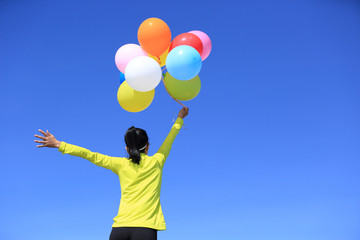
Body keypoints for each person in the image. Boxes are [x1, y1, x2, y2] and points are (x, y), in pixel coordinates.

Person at [34, 106, 189, 240]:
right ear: (148, 146)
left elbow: (90, 155)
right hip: (145, 229)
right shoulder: (157, 161)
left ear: (127, 149)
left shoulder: (120, 164)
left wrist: (59, 144)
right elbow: (171, 138)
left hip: (119, 229)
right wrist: (179, 118)